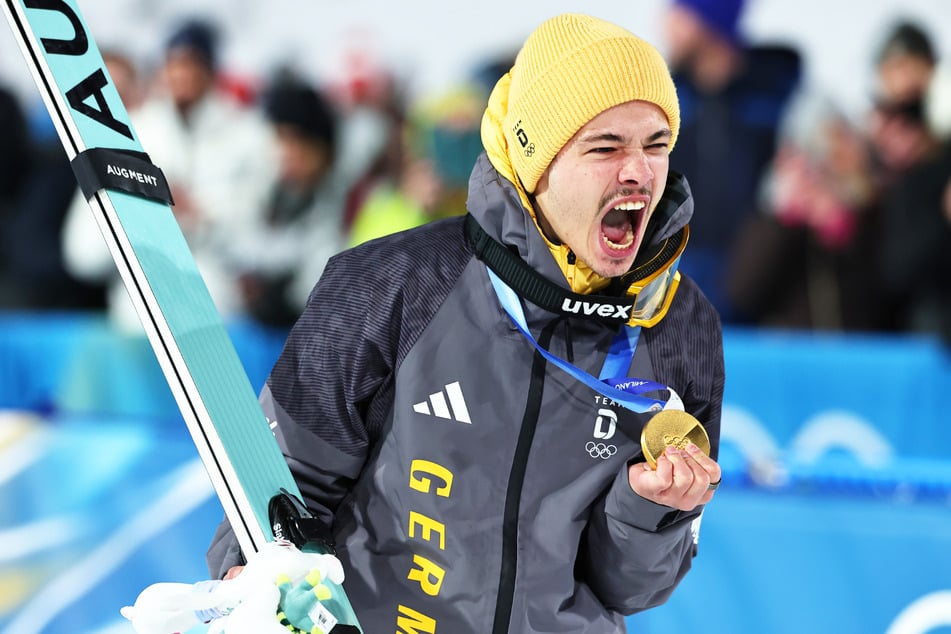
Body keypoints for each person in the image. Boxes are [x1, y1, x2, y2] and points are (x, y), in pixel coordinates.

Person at [208, 13, 724, 633]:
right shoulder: (386, 280)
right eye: (606, 146)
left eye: (656, 144)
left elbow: (633, 589)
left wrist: (650, 512)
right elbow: (280, 484)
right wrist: (258, 578)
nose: (639, 171)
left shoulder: (680, 324)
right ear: (536, 163)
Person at [661, 0, 801, 322]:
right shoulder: (664, 98)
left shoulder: (780, 98)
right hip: (675, 293)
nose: (667, 23)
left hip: (757, 296)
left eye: (681, 14)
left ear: (711, 22)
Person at [233, 75, 349, 329]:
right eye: (281, 139)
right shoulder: (269, 193)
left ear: (321, 148)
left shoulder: (343, 201)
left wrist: (284, 296)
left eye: (296, 141)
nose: (286, 153)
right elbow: (240, 247)